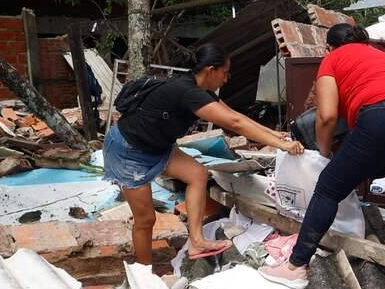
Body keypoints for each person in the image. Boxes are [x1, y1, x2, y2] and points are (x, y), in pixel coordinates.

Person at [259, 23, 385, 289]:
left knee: (328, 189)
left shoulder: (332, 59)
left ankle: (295, 267)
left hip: (383, 115)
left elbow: (327, 115)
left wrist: (323, 151)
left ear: (328, 47)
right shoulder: (378, 55)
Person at [103, 44, 303, 263]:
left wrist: (275, 136)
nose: (226, 79)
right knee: (145, 220)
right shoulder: (188, 93)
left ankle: (197, 242)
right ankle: (144, 276)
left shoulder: (199, 91)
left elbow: (235, 115)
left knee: (197, 174)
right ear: (210, 70)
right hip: (129, 150)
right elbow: (235, 124)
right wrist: (281, 146)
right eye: (224, 73)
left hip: (157, 147)